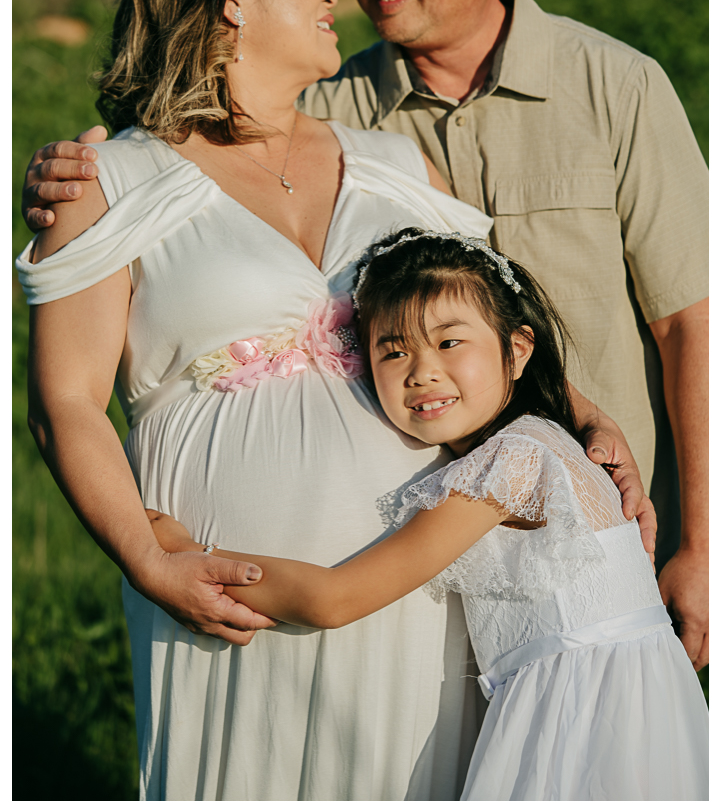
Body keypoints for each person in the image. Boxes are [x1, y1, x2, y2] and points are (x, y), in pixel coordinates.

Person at [22, 0, 708, 671]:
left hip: (598, 543)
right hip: (362, 602)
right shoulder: (330, 101)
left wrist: (700, 539)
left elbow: (692, 320)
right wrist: (68, 180)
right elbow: (186, 157)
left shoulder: (615, 85)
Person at [146, 228, 709, 800]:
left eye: (448, 343)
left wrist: (185, 555)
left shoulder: (515, 461)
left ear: (518, 349)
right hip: (623, 707)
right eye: (393, 351)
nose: (421, 371)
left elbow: (336, 598)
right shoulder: (538, 440)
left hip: (585, 725)